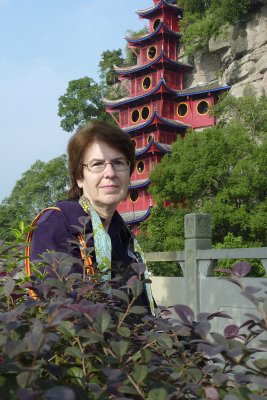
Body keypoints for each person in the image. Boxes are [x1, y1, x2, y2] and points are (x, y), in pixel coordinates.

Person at [29, 120, 155, 315]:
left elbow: (141, 310)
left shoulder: (122, 234)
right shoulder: (58, 223)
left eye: (119, 163)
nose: (110, 173)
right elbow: (60, 310)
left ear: (129, 174)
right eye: (97, 164)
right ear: (79, 177)